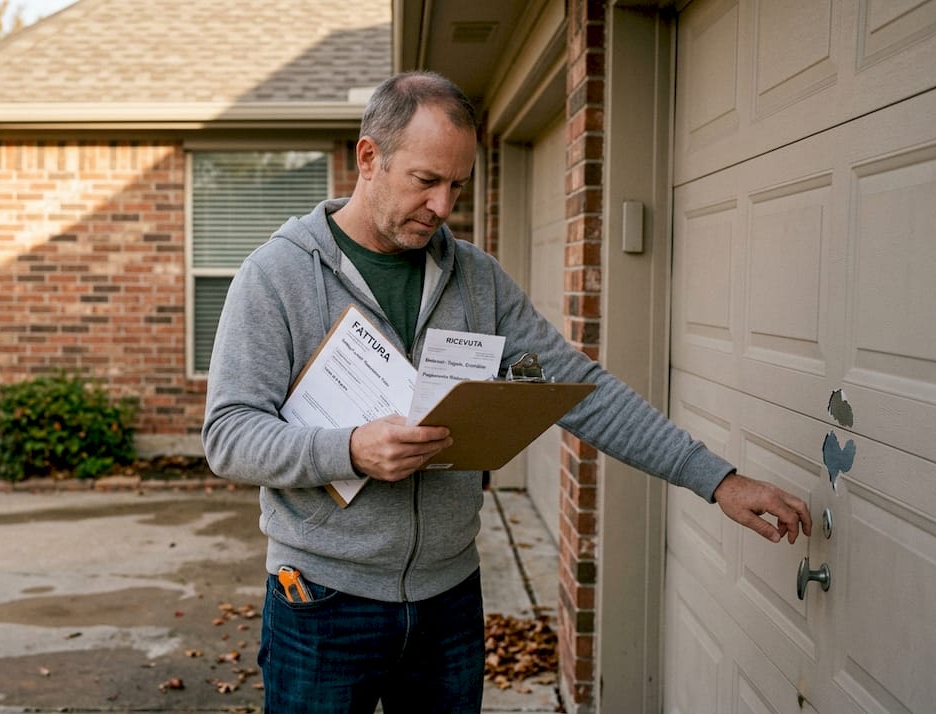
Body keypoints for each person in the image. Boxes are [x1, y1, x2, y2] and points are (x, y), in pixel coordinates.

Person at [202, 71, 812, 713]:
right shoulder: (276, 276)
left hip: (449, 601)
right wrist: (349, 449)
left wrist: (716, 479)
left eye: (457, 185)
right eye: (426, 181)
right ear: (369, 157)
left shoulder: (477, 281)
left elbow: (583, 390)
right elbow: (229, 436)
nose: (443, 207)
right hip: (321, 600)